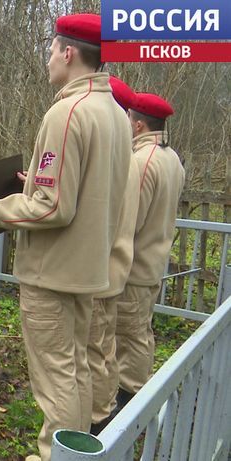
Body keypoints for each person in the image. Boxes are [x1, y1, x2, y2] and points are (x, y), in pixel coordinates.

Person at [0, 14, 131, 460]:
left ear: (68, 52)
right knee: (76, 373)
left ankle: (53, 455)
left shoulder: (67, 111)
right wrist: (34, 179)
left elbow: (54, 206)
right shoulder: (114, 113)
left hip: (52, 273)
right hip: (86, 270)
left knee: (56, 382)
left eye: (51, 50)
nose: (48, 59)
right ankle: (81, 451)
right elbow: (84, 187)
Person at [113, 93, 185, 412]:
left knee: (129, 341)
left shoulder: (143, 161)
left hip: (134, 269)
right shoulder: (172, 159)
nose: (126, 125)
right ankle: (134, 399)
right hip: (153, 265)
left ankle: (128, 406)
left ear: (139, 124)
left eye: (129, 120)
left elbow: (130, 222)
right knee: (141, 332)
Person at [88, 76, 140, 435]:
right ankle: (103, 416)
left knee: (95, 353)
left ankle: (96, 424)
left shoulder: (118, 159)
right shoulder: (130, 157)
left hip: (98, 270)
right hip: (114, 270)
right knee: (103, 349)